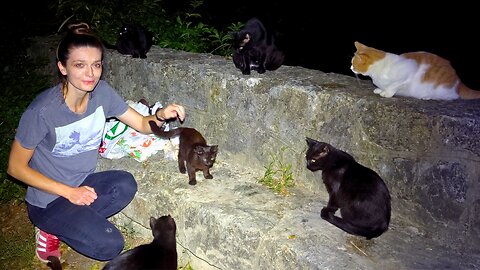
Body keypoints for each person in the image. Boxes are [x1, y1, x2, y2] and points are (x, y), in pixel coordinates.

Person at [6, 22, 185, 263]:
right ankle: (50, 229)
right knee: (111, 245)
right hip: (47, 200)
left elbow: (142, 124)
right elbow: (15, 168)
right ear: (63, 67)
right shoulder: (42, 111)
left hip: (83, 183)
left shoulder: (102, 93)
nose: (90, 74)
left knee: (124, 184)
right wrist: (69, 193)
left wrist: (161, 115)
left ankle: (75, 221)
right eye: (80, 65)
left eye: (96, 65)